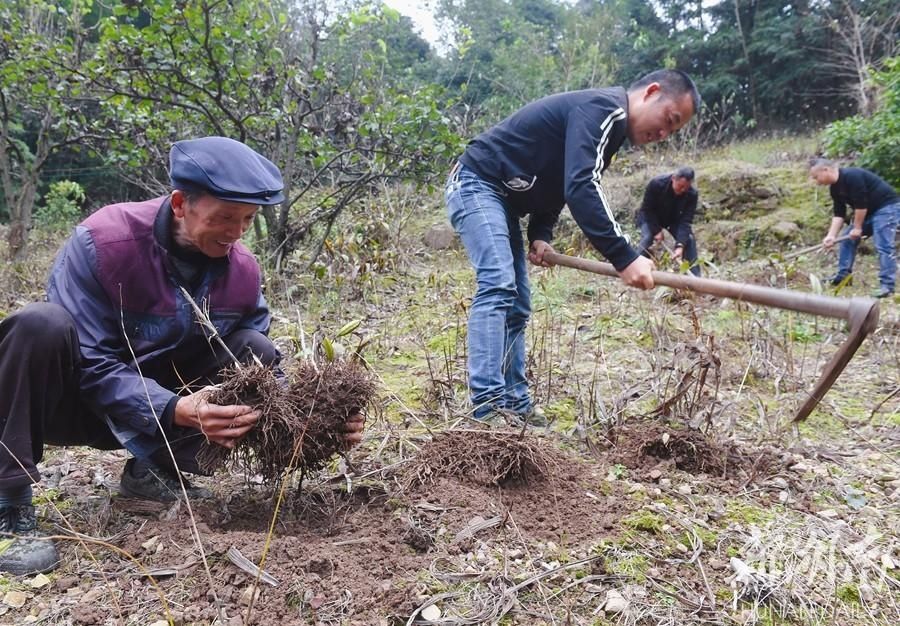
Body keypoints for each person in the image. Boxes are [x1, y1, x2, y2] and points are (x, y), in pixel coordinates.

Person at [0, 137, 365, 575]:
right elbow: (92, 365)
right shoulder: (105, 243)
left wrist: (312, 417)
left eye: (247, 220)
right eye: (225, 217)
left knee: (255, 349)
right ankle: (10, 502)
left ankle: (151, 470)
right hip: (72, 405)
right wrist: (173, 408)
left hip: (165, 417)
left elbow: (257, 372)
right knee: (39, 326)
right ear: (180, 203)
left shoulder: (242, 270)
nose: (236, 233)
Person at [446, 69, 701, 426]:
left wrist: (541, 231)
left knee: (518, 305)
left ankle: (515, 404)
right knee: (499, 284)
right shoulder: (604, 109)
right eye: (668, 120)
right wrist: (625, 255)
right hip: (477, 182)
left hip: (505, 201)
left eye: (672, 132)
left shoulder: (608, 130)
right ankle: (487, 409)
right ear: (651, 92)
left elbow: (560, 179)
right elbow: (581, 185)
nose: (662, 134)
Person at [809, 159, 899, 298]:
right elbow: (839, 213)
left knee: (883, 245)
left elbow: (861, 205)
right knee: (846, 240)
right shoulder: (835, 188)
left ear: (825, 170)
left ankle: (887, 286)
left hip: (887, 208)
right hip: (869, 212)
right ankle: (843, 276)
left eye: (816, 177)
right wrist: (831, 236)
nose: (817, 181)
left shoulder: (852, 176)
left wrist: (857, 228)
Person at [636, 167, 701, 276]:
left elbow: (685, 221)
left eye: (686, 187)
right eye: (680, 186)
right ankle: (635, 267)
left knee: (689, 240)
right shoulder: (656, 184)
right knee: (647, 238)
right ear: (673, 179)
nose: (683, 190)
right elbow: (647, 209)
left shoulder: (692, 194)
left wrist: (680, 245)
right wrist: (656, 230)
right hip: (650, 217)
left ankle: (695, 278)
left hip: (672, 220)